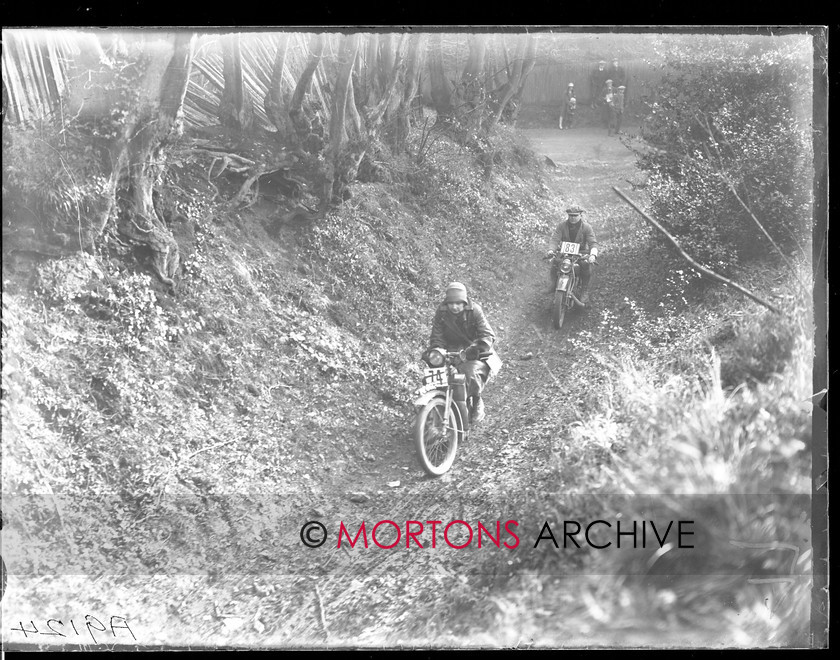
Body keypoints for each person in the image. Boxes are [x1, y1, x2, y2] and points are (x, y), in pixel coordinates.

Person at [427, 282, 496, 423]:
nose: (454, 306)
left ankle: (476, 400)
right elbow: (436, 336)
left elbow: (487, 335)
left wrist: (474, 349)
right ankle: (433, 408)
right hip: (450, 350)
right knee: (435, 375)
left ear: (464, 303)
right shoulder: (442, 312)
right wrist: (437, 349)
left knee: (469, 375)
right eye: (451, 303)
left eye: (458, 303)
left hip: (474, 351)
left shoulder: (475, 311)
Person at [547, 206, 599, 305]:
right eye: (570, 216)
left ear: (580, 215)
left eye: (575, 216)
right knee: (556, 262)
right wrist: (551, 250)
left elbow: (593, 242)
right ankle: (554, 284)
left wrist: (593, 254)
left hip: (581, 253)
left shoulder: (586, 227)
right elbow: (555, 239)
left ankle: (584, 290)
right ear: (568, 216)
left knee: (585, 265)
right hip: (564, 252)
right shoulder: (562, 226)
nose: (573, 218)